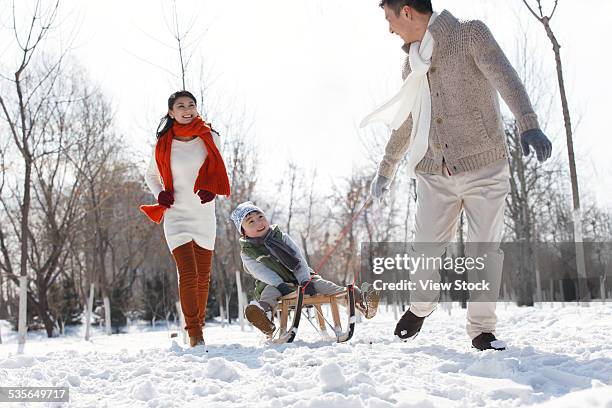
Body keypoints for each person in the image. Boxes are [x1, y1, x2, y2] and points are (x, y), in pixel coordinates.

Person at [363, 0, 552, 350]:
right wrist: (385, 169)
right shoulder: (411, 64)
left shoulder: (469, 34)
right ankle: (421, 306)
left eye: (389, 19)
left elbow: (504, 75)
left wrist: (528, 124)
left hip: (485, 167)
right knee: (425, 249)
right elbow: (407, 121)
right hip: (435, 173)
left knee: (484, 251)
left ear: (406, 12)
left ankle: (481, 330)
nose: (389, 29)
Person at [140, 90, 231, 347]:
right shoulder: (164, 143)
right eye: (180, 106)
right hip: (176, 215)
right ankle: (194, 333)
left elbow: (218, 168)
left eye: (191, 104)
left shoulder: (210, 136)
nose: (187, 109)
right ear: (171, 112)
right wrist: (161, 195)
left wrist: (211, 188)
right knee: (188, 274)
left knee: (203, 277)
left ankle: (197, 326)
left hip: (203, 215)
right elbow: (151, 176)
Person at [230, 201, 380, 337]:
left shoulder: (281, 237)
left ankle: (360, 301)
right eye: (251, 222)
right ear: (243, 231)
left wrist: (304, 281)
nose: (258, 222)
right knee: (269, 294)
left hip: (302, 277)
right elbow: (261, 272)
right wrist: (281, 286)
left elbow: (299, 260)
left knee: (326, 286)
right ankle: (265, 318)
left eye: (260, 216)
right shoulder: (247, 252)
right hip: (274, 283)